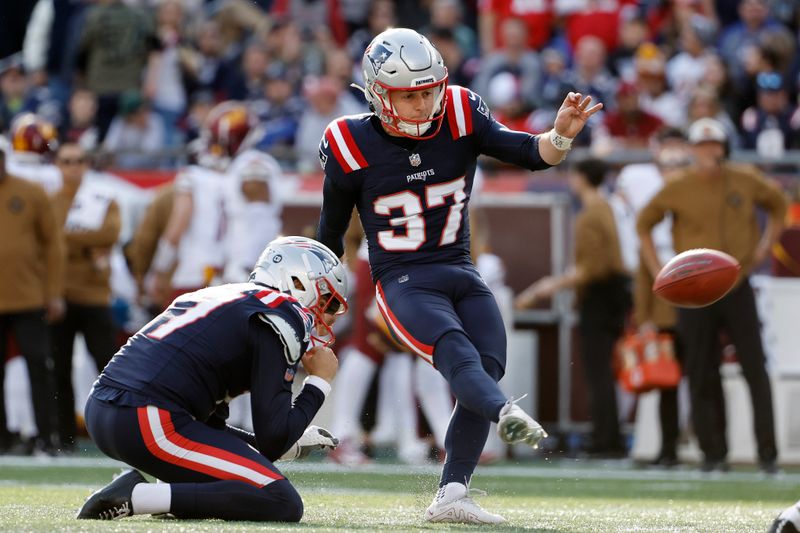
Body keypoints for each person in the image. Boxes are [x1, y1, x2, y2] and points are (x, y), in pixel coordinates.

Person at [316, 27, 601, 524]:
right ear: (380, 95)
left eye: (431, 89)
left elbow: (532, 155)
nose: (426, 103)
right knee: (456, 353)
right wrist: (318, 302)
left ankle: (452, 493)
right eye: (411, 95)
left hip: (458, 267)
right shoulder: (349, 141)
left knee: (489, 360)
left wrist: (562, 134)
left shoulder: (462, 112)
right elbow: (330, 232)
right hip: (402, 279)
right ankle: (505, 414)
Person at [76, 236, 347, 522]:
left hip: (110, 411)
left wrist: (290, 445)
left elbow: (211, 428)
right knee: (280, 500)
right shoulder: (283, 313)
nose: (329, 319)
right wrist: (319, 383)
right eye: (328, 304)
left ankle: (164, 496)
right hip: (148, 418)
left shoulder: (227, 297)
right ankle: (138, 497)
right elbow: (274, 439)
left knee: (244, 490)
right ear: (299, 282)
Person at [637, 117, 788, 474]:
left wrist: (767, 243)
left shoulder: (745, 178)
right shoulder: (679, 186)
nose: (708, 152)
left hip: (736, 285)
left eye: (714, 145)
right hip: (693, 292)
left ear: (723, 148)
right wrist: (660, 268)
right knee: (701, 370)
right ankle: (713, 455)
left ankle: (768, 455)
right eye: (701, 145)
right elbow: (644, 223)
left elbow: (779, 203)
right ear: (691, 150)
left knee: (755, 366)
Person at [515, 158, 631, 458]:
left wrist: (545, 287)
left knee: (598, 371)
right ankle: (609, 439)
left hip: (600, 296)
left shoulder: (591, 215)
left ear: (581, 178)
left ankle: (605, 441)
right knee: (602, 370)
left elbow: (590, 268)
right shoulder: (606, 207)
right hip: (613, 293)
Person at [615, 128, 692, 467]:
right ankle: (669, 446)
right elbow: (639, 234)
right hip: (660, 280)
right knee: (665, 375)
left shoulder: (697, 185)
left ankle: (705, 444)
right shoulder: (639, 180)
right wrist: (644, 312)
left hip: (694, 277)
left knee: (700, 373)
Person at [50, 142, 121, 452]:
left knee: (110, 369)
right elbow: (46, 242)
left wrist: (65, 238)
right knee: (59, 370)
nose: (73, 167)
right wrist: (87, 244)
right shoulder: (50, 201)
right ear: (58, 165)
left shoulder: (103, 198)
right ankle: (64, 438)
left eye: (79, 161)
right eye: (67, 161)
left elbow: (110, 235)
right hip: (60, 295)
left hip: (94, 297)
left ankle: (120, 435)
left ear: (87, 164)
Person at [0, 143, 63, 454]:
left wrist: (53, 293)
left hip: (26, 296)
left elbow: (53, 244)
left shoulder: (30, 191)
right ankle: (3, 438)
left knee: (39, 366)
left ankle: (47, 436)